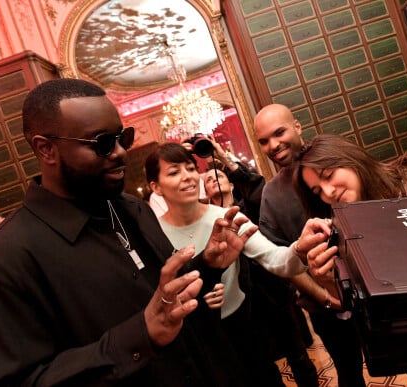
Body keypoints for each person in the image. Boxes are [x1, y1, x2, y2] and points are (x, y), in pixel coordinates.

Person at [0, 77, 275, 387]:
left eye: (122, 137)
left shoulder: (131, 208)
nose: (121, 152)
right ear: (46, 149)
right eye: (102, 143)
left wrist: (207, 266)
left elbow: (167, 302)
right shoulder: (8, 258)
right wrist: (139, 336)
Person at [144, 142, 331, 387]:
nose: (188, 177)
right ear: (155, 187)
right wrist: (196, 298)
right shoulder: (152, 234)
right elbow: (156, 292)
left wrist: (298, 248)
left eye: (190, 169)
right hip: (196, 337)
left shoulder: (226, 218)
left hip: (242, 324)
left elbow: (276, 260)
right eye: (174, 172)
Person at [254, 103, 364, 387]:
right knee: (349, 373)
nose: (273, 145)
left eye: (279, 133)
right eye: (263, 141)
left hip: (376, 288)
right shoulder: (272, 195)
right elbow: (282, 262)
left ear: (297, 127)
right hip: (325, 308)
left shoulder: (333, 158)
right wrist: (327, 298)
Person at [202, 144, 320, 387]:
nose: (214, 182)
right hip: (243, 305)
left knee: (297, 353)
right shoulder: (208, 223)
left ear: (232, 183)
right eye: (209, 182)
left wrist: (223, 156)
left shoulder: (250, 204)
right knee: (263, 363)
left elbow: (255, 185)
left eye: (220, 177)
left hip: (272, 292)